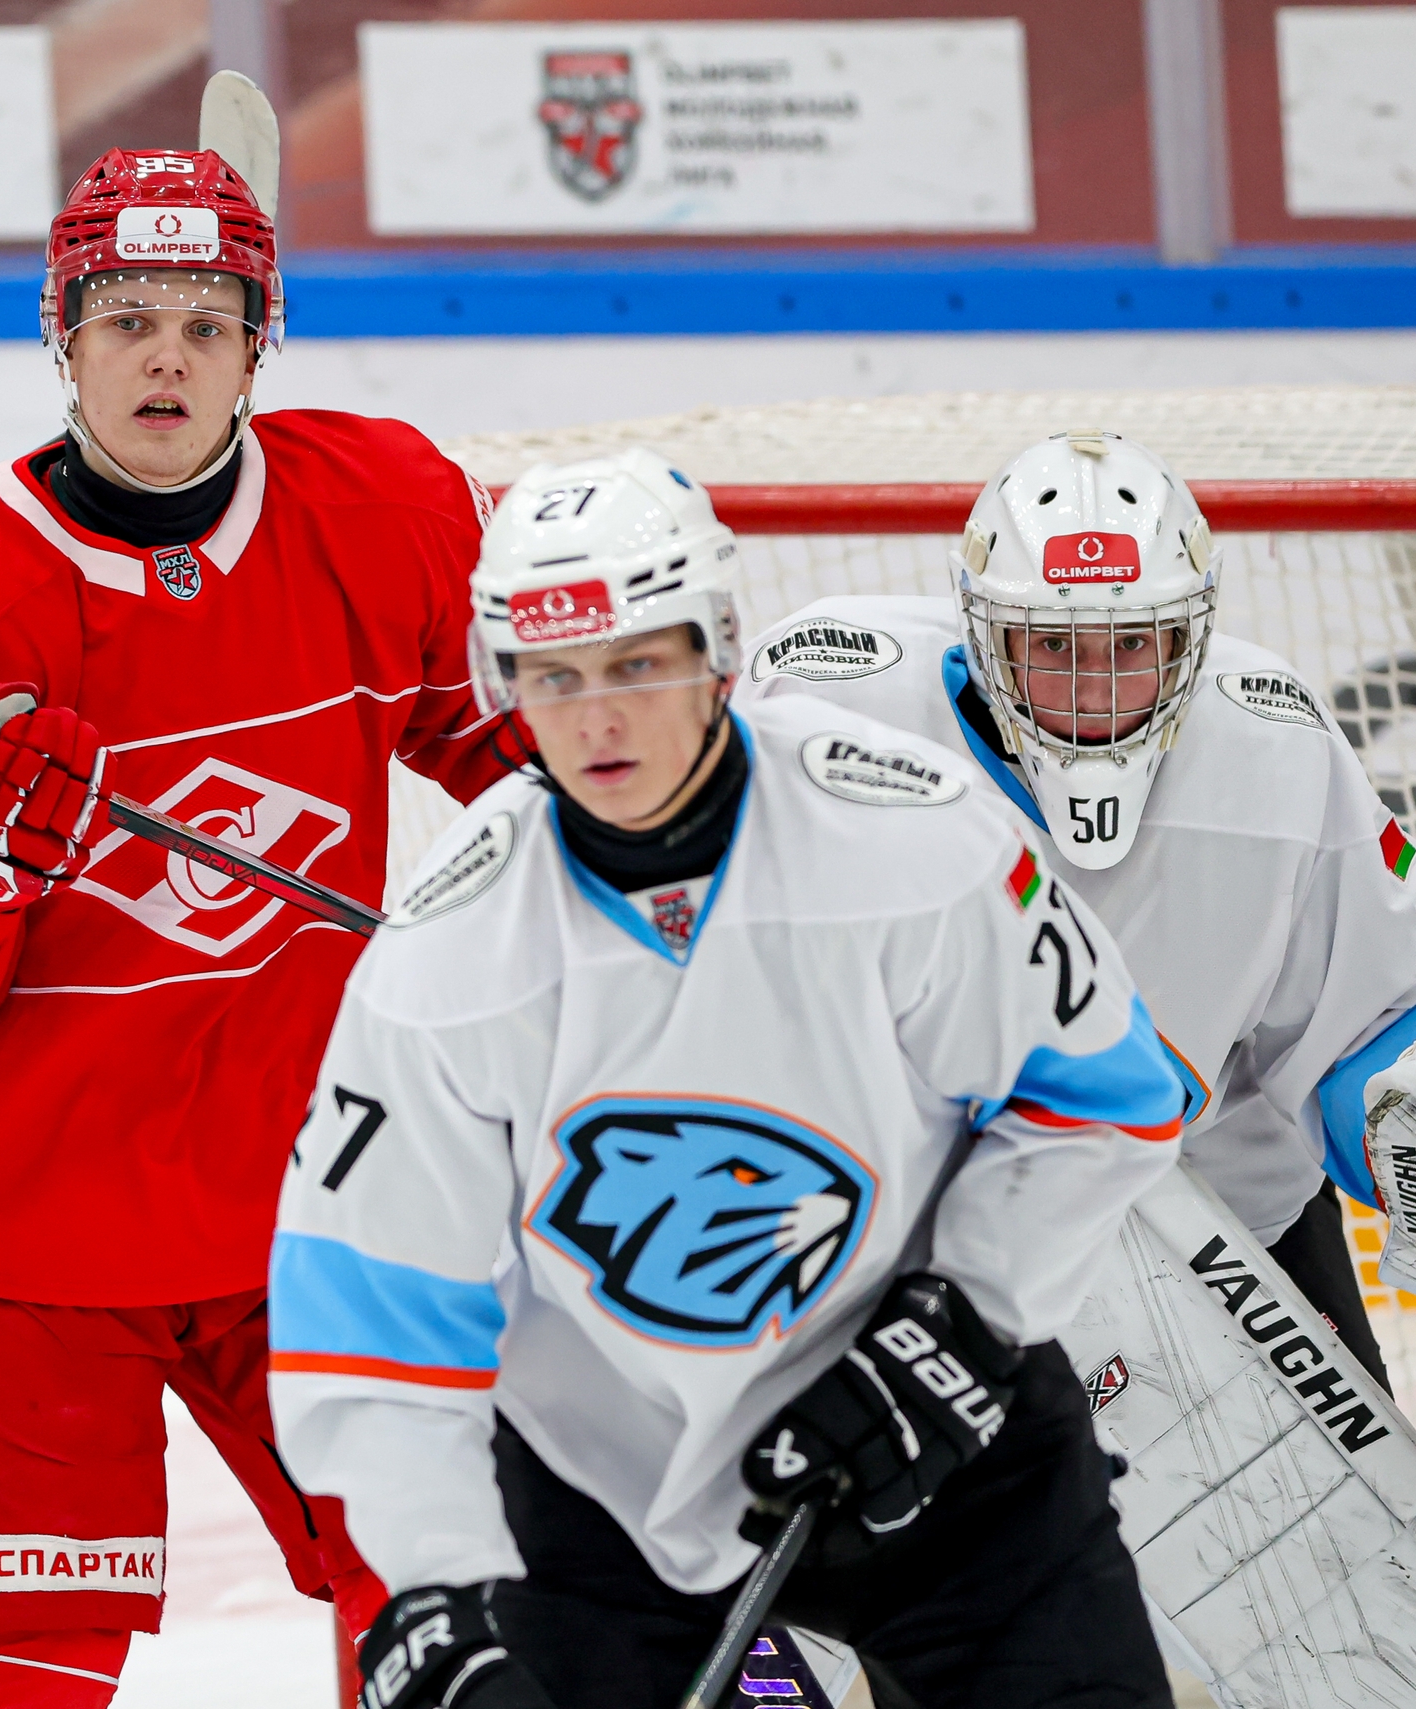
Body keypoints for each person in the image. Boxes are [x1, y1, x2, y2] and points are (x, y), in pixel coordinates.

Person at [0, 143, 510, 1705]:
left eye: (207, 325)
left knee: (445, 1592)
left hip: (310, 1200)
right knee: (18, 1665)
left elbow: (516, 748)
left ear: (259, 347)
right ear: (63, 335)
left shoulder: (378, 511)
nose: (167, 358)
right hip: (23, 1229)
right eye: (129, 321)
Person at [266, 450, 1191, 1709]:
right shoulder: (448, 957)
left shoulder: (907, 837)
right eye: (555, 676)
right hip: (604, 1485)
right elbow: (367, 1304)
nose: (595, 720)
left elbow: (1101, 1093)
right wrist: (434, 1589)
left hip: (936, 1413)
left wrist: (962, 1319)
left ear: (716, 651)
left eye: (635, 665)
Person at [734, 430, 1416, 1389]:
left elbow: (1385, 1026)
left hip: (1227, 1252)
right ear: (985, 635)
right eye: (1053, 645)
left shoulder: (1277, 752)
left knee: (1376, 1502)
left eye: (1130, 644)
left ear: (1190, 637)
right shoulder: (821, 708)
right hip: (908, 1260)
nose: (1094, 689)